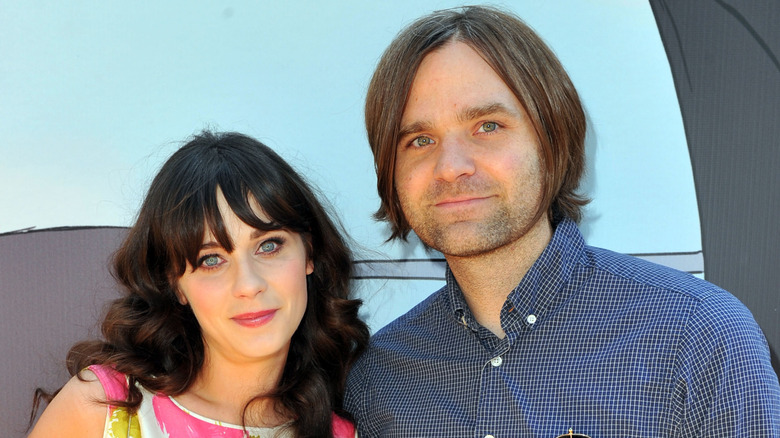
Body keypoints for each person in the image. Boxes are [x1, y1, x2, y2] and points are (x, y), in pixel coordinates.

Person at [344, 5, 780, 437]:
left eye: (488, 126)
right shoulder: (378, 380)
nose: (451, 166)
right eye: (420, 140)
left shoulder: (698, 335)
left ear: (553, 141)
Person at [29, 131, 369, 437]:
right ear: (175, 284)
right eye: (211, 259)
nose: (249, 285)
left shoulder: (342, 434)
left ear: (309, 253)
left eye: (269, 245)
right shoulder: (104, 408)